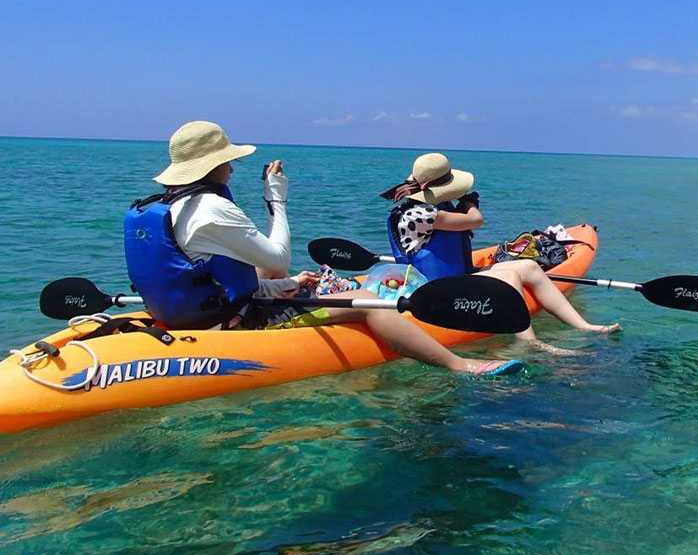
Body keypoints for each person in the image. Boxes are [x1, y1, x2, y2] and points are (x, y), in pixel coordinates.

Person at [123, 121, 521, 376]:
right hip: (231, 326)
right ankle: (460, 365)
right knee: (363, 297)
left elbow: (208, 278)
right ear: (213, 167)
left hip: (186, 319)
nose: (232, 168)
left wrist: (284, 286)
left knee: (279, 277)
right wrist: (276, 198)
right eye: (228, 161)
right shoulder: (212, 208)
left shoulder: (161, 208)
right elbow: (277, 257)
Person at [383, 152, 620, 353]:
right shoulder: (418, 215)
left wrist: (463, 201)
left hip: (457, 277)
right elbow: (475, 220)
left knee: (529, 266)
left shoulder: (431, 206)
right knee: (510, 277)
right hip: (435, 287)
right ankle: (530, 341)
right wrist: (470, 203)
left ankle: (583, 326)